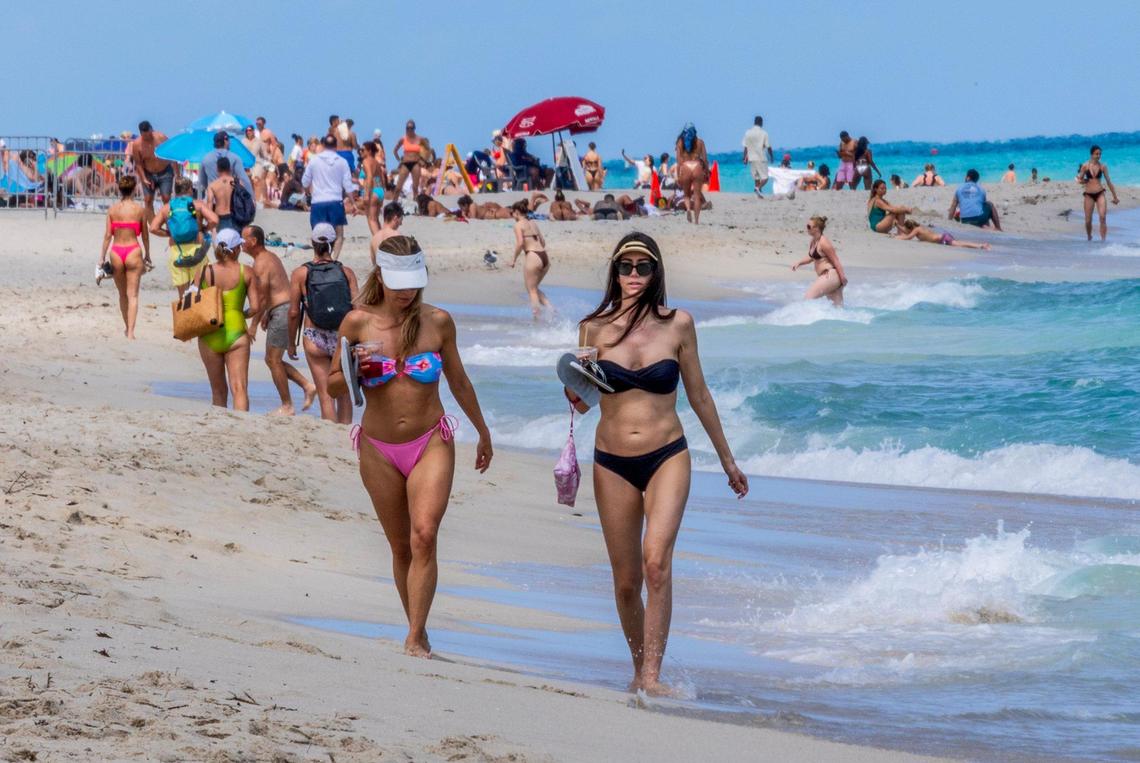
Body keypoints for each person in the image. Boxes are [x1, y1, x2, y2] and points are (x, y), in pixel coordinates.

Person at [566, 232, 748, 694]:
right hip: (611, 461)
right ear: (614, 271)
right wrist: (574, 383)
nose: (632, 275)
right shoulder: (592, 328)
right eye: (625, 267)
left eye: (642, 267)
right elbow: (582, 402)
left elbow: (699, 394)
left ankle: (652, 677)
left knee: (656, 564)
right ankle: (637, 666)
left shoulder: (678, 324)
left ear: (655, 272)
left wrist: (728, 460)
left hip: (668, 454)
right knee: (627, 581)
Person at [324, 235, 492, 658]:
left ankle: (415, 637)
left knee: (424, 535)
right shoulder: (356, 323)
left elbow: (459, 380)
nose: (406, 292)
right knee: (400, 546)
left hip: (430, 439)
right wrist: (353, 368)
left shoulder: (438, 322)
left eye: (413, 283)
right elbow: (331, 385)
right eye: (399, 283)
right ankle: (418, 625)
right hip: (378, 447)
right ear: (381, 275)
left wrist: (483, 431)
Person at [241, 225, 317, 416]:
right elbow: (274, 290)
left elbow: (263, 297)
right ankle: (307, 386)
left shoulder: (261, 263)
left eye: (244, 239)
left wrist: (253, 326)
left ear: (253, 241)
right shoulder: (269, 257)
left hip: (284, 311)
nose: (242, 243)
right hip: (281, 310)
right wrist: (268, 313)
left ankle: (287, 405)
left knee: (273, 359)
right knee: (272, 359)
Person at [288, 223, 359, 423]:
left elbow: (294, 312)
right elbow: (358, 310)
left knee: (326, 394)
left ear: (312, 243)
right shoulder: (346, 272)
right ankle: (345, 435)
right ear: (333, 242)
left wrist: (291, 342)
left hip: (314, 336)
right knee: (344, 393)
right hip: (342, 337)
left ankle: (330, 436)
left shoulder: (300, 274)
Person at [196, 229, 260, 410]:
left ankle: (220, 427)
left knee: (218, 391)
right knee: (239, 388)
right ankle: (241, 428)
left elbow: (194, 301)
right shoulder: (246, 272)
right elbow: (255, 307)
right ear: (236, 249)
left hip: (209, 333)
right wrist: (241, 314)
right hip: (236, 333)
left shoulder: (204, 271)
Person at [98, 176, 150, 338]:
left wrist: (101, 257)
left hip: (117, 251)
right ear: (134, 189)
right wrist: (147, 254)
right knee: (132, 295)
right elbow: (145, 236)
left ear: (119, 190)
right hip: (133, 250)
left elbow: (108, 235)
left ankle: (127, 327)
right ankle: (131, 333)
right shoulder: (139, 210)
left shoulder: (112, 210)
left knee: (122, 295)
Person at [150, 176, 218, 297]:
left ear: (176, 190)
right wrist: (204, 228)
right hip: (197, 250)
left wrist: (168, 233)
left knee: (183, 295)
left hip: (177, 251)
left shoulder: (167, 208)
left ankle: (185, 314)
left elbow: (153, 228)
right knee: (201, 291)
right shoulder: (197, 205)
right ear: (190, 189)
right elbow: (214, 219)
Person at [302, 135, 358, 259]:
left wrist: (308, 193)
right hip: (335, 201)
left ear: (323, 145)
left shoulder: (314, 160)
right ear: (336, 146)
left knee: (317, 234)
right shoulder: (342, 162)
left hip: (318, 202)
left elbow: (305, 181)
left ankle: (317, 258)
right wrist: (353, 203)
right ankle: (333, 259)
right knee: (338, 235)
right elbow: (348, 185)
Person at [510, 200, 552, 319]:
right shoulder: (533, 222)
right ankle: (551, 310)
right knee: (534, 288)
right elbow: (543, 242)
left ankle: (536, 319)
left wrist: (513, 259)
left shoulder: (518, 225)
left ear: (517, 212)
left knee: (531, 290)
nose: (512, 216)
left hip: (533, 256)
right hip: (544, 257)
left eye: (512, 213)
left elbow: (520, 243)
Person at [791, 216, 847, 306]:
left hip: (830, 276)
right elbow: (811, 257)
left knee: (808, 299)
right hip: (827, 277)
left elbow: (836, 260)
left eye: (809, 226)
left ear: (816, 228)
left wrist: (842, 278)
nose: (807, 229)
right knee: (837, 311)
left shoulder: (824, 242)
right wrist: (799, 263)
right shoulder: (813, 241)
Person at [128, 121, 176, 221]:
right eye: (144, 136)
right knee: (148, 199)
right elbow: (138, 164)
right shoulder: (137, 145)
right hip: (148, 173)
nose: (147, 138)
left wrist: (177, 174)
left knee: (166, 198)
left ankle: (169, 221)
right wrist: (144, 179)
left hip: (165, 171)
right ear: (141, 133)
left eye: (148, 134)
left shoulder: (161, 138)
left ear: (151, 130)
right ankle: (152, 223)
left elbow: (172, 154)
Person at [1077, 145, 1119, 241]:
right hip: (1089, 195)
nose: (1099, 155)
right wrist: (1084, 180)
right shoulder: (1085, 166)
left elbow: (1108, 181)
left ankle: (1103, 240)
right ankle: (1089, 237)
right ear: (1092, 154)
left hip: (1100, 193)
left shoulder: (1103, 166)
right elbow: (1079, 180)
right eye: (1097, 154)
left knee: (1102, 217)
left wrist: (1115, 197)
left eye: (1100, 154)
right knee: (1088, 220)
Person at [197, 131, 253, 199]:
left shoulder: (205, 158)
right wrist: (251, 197)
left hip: (211, 198)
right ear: (225, 141)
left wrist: (210, 188)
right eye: (229, 140)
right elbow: (244, 179)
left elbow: (202, 181)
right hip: (229, 199)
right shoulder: (235, 158)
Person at [675, 123, 709, 224]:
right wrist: (706, 172)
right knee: (697, 195)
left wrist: (678, 176)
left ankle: (688, 210)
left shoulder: (680, 143)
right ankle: (697, 220)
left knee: (686, 195)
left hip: (685, 166)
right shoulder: (700, 142)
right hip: (697, 166)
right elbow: (705, 159)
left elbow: (679, 162)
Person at [897, 219, 992, 250]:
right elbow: (907, 233)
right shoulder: (919, 228)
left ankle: (981, 246)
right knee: (960, 243)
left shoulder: (916, 230)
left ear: (910, 228)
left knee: (961, 244)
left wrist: (897, 238)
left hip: (943, 239)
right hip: (943, 237)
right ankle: (981, 245)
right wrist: (897, 225)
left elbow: (908, 237)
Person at [207, 155, 242, 234]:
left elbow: (209, 203)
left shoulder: (213, 185)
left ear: (217, 169)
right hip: (235, 217)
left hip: (220, 217)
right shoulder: (237, 182)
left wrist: (209, 222)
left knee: (222, 244)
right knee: (234, 243)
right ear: (230, 168)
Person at [741, 115, 773, 197]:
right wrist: (771, 156)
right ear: (761, 123)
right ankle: (757, 188)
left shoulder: (748, 133)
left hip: (751, 158)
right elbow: (768, 146)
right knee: (765, 178)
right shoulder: (764, 133)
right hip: (761, 157)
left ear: (754, 122)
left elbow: (745, 146)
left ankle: (759, 193)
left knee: (756, 177)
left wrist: (744, 157)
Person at [393, 119, 425, 198]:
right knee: (398, 187)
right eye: (407, 128)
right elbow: (395, 150)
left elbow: (428, 150)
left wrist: (422, 160)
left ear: (414, 128)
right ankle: (393, 205)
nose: (409, 130)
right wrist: (399, 160)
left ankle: (417, 206)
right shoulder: (403, 139)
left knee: (415, 188)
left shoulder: (420, 139)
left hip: (415, 163)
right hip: (406, 163)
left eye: (411, 128)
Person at [361, 140, 387, 236]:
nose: (361, 152)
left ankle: (379, 243)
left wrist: (367, 194)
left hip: (373, 191)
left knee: (371, 220)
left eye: (363, 150)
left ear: (369, 151)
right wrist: (383, 191)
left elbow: (369, 176)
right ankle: (383, 241)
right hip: (380, 190)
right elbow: (382, 179)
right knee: (376, 219)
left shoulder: (366, 161)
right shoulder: (376, 162)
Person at [241, 124, 271, 204]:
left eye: (250, 130)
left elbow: (264, 153)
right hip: (246, 164)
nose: (248, 132)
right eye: (247, 130)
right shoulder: (243, 141)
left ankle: (257, 201)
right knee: (248, 181)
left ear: (253, 131)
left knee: (256, 181)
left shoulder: (259, 141)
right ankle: (251, 200)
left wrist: (269, 159)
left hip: (257, 163)